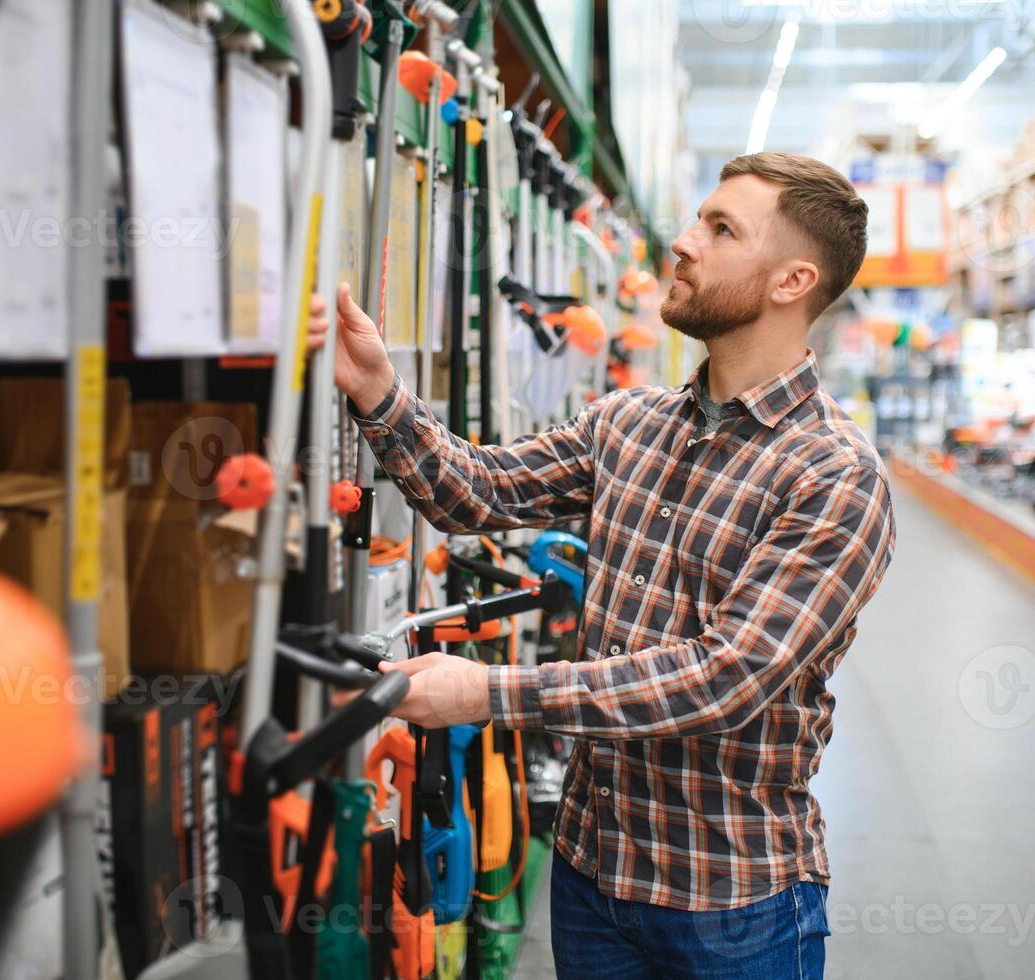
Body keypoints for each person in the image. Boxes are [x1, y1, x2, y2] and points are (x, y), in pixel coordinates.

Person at [308, 152, 896, 980]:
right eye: (697, 219)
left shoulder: (833, 475)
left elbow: (723, 679)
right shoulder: (629, 423)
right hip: (593, 877)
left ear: (791, 281)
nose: (682, 243)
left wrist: (487, 695)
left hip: (729, 905)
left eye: (720, 229)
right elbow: (476, 494)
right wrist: (376, 389)